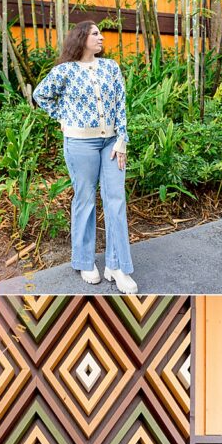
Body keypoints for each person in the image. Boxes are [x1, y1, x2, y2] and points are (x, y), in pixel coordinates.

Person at [33, 21, 136, 293]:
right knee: (85, 199)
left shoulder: (111, 67)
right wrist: (63, 119)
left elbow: (120, 104)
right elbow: (40, 95)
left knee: (116, 200)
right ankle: (84, 260)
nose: (101, 37)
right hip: (80, 143)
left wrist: (122, 139)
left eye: (100, 34)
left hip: (111, 142)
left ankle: (118, 266)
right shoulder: (64, 71)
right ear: (81, 38)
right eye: (95, 34)